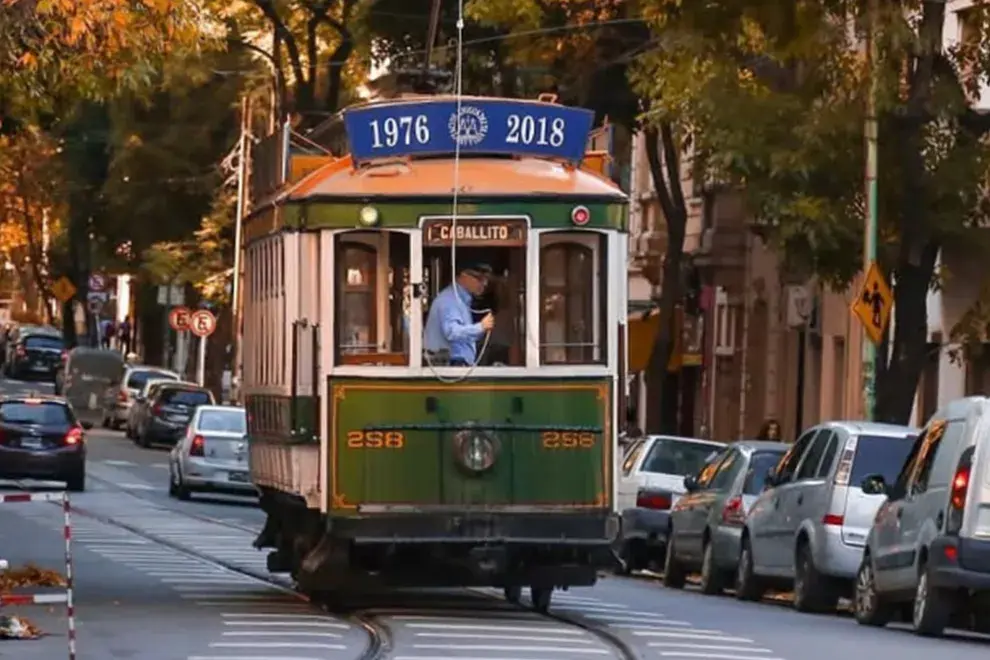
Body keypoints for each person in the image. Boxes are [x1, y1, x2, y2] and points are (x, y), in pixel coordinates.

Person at [424, 262, 495, 367]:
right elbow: (451, 332)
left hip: (455, 366)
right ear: (463, 276)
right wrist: (481, 327)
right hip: (450, 367)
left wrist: (481, 330)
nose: (484, 283)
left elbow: (464, 337)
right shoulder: (449, 300)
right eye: (479, 278)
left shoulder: (461, 300)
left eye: (486, 279)